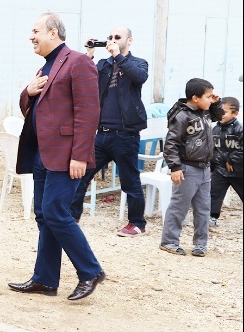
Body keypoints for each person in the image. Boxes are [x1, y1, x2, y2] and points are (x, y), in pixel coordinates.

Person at [8, 13, 106, 302]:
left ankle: (90, 271)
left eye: (36, 30)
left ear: (53, 33)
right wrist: (28, 92)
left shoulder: (79, 62)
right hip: (42, 153)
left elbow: (89, 113)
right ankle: (45, 279)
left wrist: (80, 156)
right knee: (44, 215)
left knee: (55, 212)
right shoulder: (45, 66)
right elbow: (32, 108)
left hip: (66, 156)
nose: (31, 36)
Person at [69, 27, 150, 237]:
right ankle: (72, 217)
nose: (112, 40)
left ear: (129, 40)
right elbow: (85, 80)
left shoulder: (138, 63)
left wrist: (118, 57)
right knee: (82, 175)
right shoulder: (103, 64)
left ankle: (137, 223)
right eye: (110, 37)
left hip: (125, 134)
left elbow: (140, 77)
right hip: (101, 134)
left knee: (130, 180)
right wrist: (88, 55)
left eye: (117, 37)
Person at [160, 79, 224, 257]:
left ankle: (200, 244)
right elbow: (171, 143)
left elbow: (219, 116)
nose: (211, 99)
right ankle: (169, 241)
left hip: (204, 169)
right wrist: (175, 167)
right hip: (187, 168)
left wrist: (216, 103)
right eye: (208, 97)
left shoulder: (206, 112)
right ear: (195, 98)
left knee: (203, 208)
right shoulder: (182, 116)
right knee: (179, 206)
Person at [210, 97, 243, 227]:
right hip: (220, 170)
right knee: (214, 194)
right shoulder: (215, 129)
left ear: (235, 113)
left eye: (224, 112)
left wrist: (232, 159)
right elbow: (212, 150)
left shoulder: (239, 129)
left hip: (238, 171)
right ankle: (211, 218)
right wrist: (211, 168)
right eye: (219, 111)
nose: (221, 115)